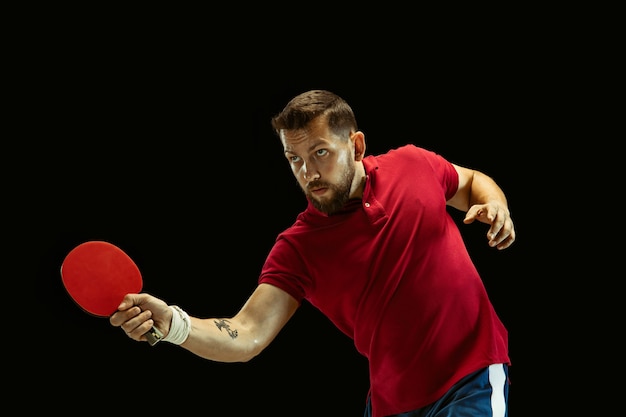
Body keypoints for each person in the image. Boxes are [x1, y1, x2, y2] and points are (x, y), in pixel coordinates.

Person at [110, 89, 515, 417]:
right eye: (294, 159)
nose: (308, 173)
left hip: (471, 375)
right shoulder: (298, 248)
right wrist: (174, 324)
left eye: (320, 152)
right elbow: (246, 333)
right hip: (392, 404)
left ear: (356, 145)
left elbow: (473, 181)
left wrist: (496, 205)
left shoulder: (413, 165)